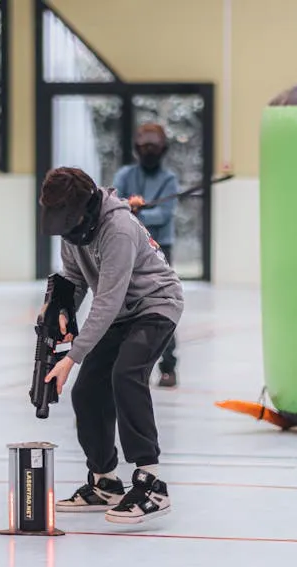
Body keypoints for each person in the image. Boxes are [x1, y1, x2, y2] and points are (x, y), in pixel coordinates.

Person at [38, 165, 184, 524]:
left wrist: (72, 357)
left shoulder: (117, 229)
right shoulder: (71, 228)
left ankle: (151, 483)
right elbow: (74, 277)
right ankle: (105, 482)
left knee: (126, 375)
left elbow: (108, 301)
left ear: (86, 208)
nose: (68, 234)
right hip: (121, 313)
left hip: (155, 305)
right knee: (87, 392)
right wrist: (61, 308)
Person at [112, 123, 180, 388]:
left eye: (154, 147)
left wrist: (137, 213)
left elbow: (163, 216)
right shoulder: (125, 175)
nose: (149, 151)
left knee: (163, 305)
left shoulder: (169, 179)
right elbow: (115, 205)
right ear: (137, 149)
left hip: (159, 248)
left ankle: (168, 366)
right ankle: (120, 361)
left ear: (163, 150)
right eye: (145, 146)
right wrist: (129, 208)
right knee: (122, 303)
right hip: (129, 248)